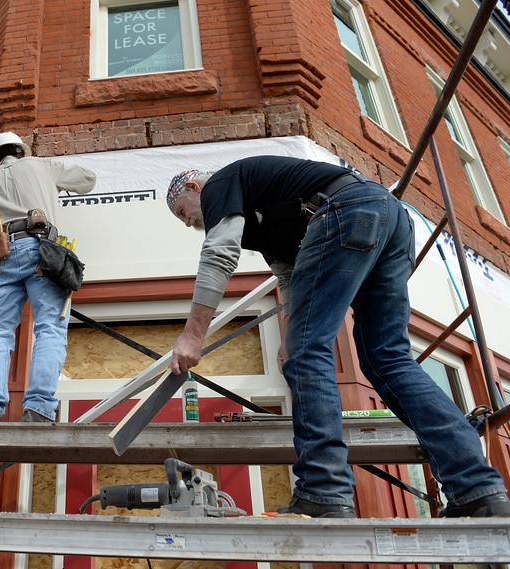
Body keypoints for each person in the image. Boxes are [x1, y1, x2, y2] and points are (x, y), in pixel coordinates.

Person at [165, 155, 510, 518]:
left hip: (347, 211)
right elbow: (289, 273)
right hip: (391, 222)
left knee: (310, 354)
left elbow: (219, 254)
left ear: (193, 187)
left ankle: (324, 489)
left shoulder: (220, 184)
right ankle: (477, 489)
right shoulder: (259, 210)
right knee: (387, 359)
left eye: (183, 213)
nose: (189, 223)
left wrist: (192, 336)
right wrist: (290, 338)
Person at [0, 131, 96, 423]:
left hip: (1, 254)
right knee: (49, 327)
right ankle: (37, 408)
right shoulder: (40, 166)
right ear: (22, 152)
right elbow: (88, 180)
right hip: (40, 250)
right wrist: (49, 188)